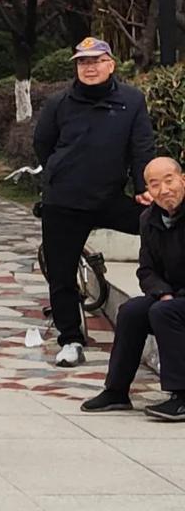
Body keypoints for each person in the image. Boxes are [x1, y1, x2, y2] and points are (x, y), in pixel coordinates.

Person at [34, 36, 154, 369]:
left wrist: (143, 186)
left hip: (110, 198)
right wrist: (61, 172)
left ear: (110, 64)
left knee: (160, 223)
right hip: (65, 201)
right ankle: (71, 339)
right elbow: (43, 144)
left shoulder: (131, 100)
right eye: (83, 62)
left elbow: (142, 147)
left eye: (96, 61)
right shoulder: (59, 103)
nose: (90, 68)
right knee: (61, 275)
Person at [81, 155, 185, 421]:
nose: (164, 190)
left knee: (164, 313)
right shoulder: (149, 219)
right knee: (132, 311)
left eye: (169, 180)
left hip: (178, 301)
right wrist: (163, 292)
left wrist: (171, 299)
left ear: (182, 179)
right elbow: (146, 270)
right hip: (171, 295)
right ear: (147, 191)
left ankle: (181, 396)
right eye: (154, 184)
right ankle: (116, 391)